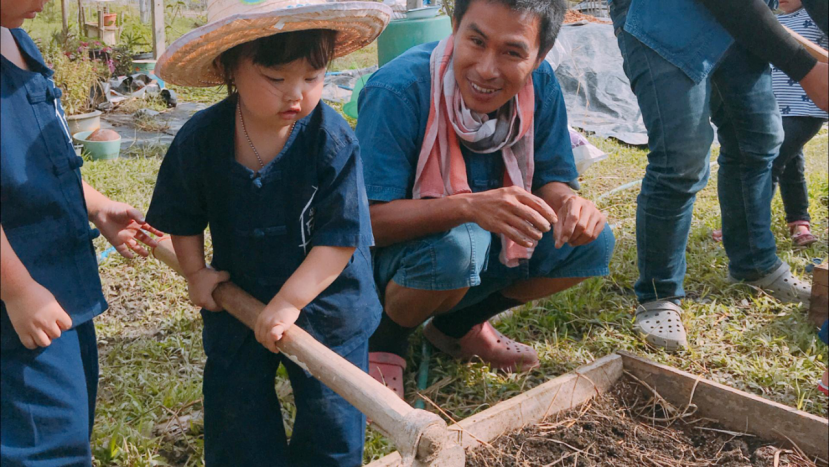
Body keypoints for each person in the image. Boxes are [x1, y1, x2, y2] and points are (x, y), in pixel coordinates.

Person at [144, 0, 389, 464]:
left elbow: (339, 242)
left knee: (332, 422)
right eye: (276, 78)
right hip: (239, 296)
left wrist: (290, 302)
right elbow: (184, 215)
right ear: (229, 67)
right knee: (236, 414)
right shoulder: (201, 139)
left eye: (313, 77)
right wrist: (196, 273)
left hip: (328, 303)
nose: (295, 95)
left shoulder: (332, 140)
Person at [355, 0, 615, 397]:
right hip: (401, 258)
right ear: (454, 27)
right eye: (476, 42)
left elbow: (552, 178)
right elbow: (366, 223)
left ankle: (457, 327)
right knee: (460, 245)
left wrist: (568, 204)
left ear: (540, 55)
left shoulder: (539, 84)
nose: (487, 70)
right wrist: (468, 207)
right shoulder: (398, 90)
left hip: (480, 246)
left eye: (512, 52)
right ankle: (385, 338)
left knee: (593, 244)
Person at [608, 0, 826, 352]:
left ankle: (755, 264)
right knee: (682, 157)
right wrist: (806, 69)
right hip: (660, 12)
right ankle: (659, 294)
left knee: (757, 140)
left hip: (740, 19)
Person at [0, 1, 162, 464]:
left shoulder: (17, 39)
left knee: (70, 421)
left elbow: (39, 154)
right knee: (44, 447)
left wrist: (95, 205)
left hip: (60, 289)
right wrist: (17, 290)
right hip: (19, 304)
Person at [771, 0, 828, 247]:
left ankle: (743, 223)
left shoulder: (819, 15)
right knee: (790, 161)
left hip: (807, 109)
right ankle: (799, 221)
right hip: (775, 106)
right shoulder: (768, 20)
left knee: (772, 158)